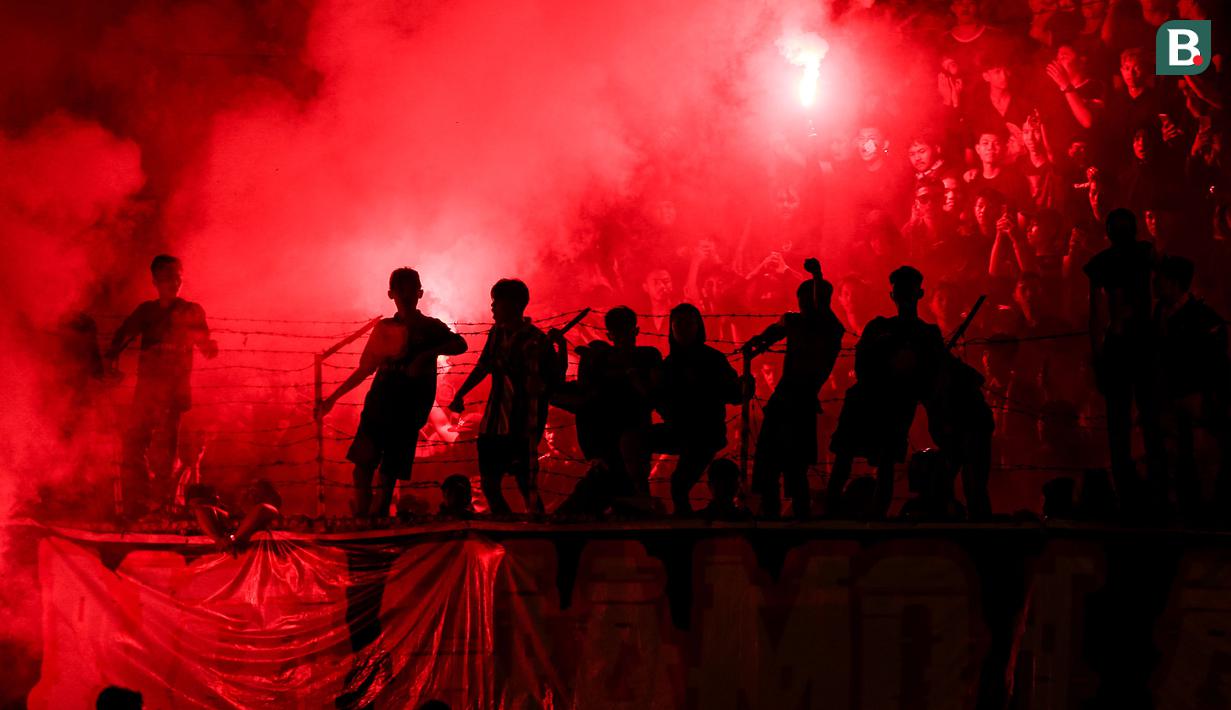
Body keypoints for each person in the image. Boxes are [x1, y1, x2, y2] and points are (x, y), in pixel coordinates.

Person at [317, 268, 467, 518]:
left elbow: (460, 344)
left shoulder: (431, 327)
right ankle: (362, 522)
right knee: (363, 469)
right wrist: (333, 398)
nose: (406, 295)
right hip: (379, 407)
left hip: (408, 412)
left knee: (388, 475)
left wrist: (426, 354)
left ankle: (377, 523)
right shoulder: (384, 328)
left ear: (420, 293)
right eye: (400, 291)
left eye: (410, 290)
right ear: (391, 294)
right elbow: (365, 369)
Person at [105, 255, 218, 518]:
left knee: (167, 449)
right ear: (155, 281)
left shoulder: (191, 311)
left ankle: (163, 504)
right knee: (134, 443)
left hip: (174, 391)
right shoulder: (147, 312)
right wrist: (111, 358)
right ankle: (143, 500)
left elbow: (204, 342)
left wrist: (208, 346)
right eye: (166, 276)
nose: (172, 281)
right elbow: (123, 334)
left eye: (176, 276)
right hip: (147, 390)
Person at [827, 266, 945, 518]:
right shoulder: (884, 328)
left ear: (919, 293)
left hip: (889, 405)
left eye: (907, 289)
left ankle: (852, 517)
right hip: (870, 403)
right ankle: (833, 516)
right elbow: (862, 365)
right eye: (900, 290)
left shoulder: (924, 334)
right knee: (851, 459)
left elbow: (931, 374)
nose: (903, 295)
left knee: (882, 463)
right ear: (893, 295)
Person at [450, 279, 566, 515]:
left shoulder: (536, 340)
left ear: (513, 305)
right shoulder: (497, 333)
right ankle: (506, 529)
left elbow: (555, 380)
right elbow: (484, 366)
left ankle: (537, 533)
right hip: (493, 424)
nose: (492, 307)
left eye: (496, 302)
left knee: (527, 486)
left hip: (522, 426)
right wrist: (461, 393)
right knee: (490, 485)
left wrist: (560, 348)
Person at [742, 258, 844, 519]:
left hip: (795, 398)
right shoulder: (805, 324)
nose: (805, 305)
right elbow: (777, 329)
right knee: (778, 461)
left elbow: (817, 305)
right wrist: (759, 341)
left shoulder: (828, 328)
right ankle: (780, 510)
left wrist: (818, 275)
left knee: (789, 462)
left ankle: (789, 512)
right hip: (793, 398)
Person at [1084, 208, 1164, 512]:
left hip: (1119, 345)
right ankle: (1156, 488)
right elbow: (1161, 287)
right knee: (1150, 419)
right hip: (1144, 342)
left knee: (1119, 423)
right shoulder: (1145, 253)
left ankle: (1127, 491)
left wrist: (1096, 353)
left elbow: (1095, 314)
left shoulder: (1101, 263)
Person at [1153, 255, 1231, 520]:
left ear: (1174, 283)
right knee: (1172, 457)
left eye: (1160, 279)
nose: (1154, 284)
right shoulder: (1159, 314)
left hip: (1193, 397)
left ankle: (1204, 512)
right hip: (1169, 398)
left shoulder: (1204, 320)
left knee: (1200, 459)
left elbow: (1216, 362)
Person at [652, 303, 747, 515]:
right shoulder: (669, 365)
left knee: (679, 483)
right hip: (679, 431)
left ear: (698, 327)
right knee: (634, 440)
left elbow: (733, 394)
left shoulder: (712, 360)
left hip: (705, 434)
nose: (684, 328)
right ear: (672, 327)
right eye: (679, 323)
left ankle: (684, 525)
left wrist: (742, 388)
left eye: (689, 323)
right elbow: (660, 402)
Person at [571, 306, 661, 500]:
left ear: (635, 331)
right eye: (619, 332)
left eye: (626, 332)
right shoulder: (599, 358)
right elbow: (585, 395)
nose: (623, 338)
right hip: (609, 432)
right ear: (610, 335)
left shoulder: (647, 356)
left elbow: (652, 395)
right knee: (619, 484)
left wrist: (629, 371)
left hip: (634, 428)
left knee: (633, 482)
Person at [187, 479, 281, 553]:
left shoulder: (271, 512)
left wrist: (233, 539)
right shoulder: (235, 517)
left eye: (256, 491)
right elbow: (203, 510)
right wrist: (219, 540)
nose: (250, 494)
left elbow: (262, 509)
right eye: (249, 490)